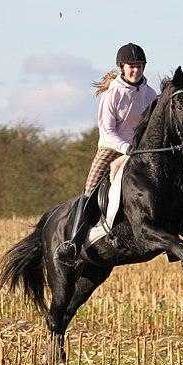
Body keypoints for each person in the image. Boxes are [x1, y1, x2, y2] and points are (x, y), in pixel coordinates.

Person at [54, 43, 158, 264]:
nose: (136, 71)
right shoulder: (112, 95)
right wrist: (126, 148)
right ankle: (73, 242)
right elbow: (107, 132)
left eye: (140, 66)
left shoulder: (150, 94)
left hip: (141, 152)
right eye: (132, 66)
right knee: (90, 190)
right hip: (111, 150)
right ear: (122, 67)